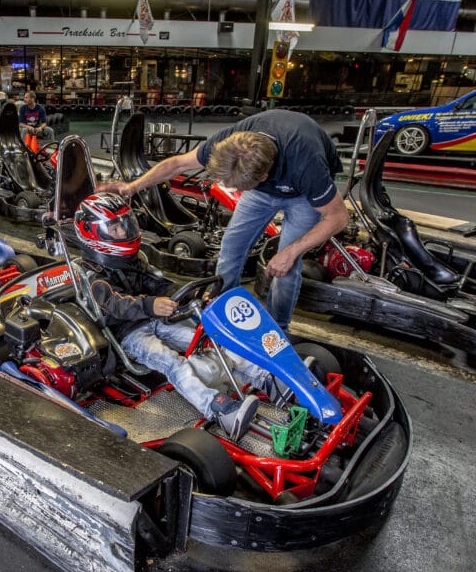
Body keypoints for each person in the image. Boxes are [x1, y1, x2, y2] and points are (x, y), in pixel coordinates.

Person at [96, 109, 348, 331]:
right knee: (231, 248)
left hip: (301, 195)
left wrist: (291, 251)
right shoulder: (230, 143)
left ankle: (278, 330)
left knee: (286, 267)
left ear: (262, 177)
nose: (225, 187)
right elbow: (176, 165)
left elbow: (338, 217)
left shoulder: (307, 164)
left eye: (232, 185)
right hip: (262, 191)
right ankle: (224, 314)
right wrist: (132, 187)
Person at [74, 192, 266, 441]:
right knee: (173, 362)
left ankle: (262, 377)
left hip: (156, 320)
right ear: (91, 233)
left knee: (206, 340)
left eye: (124, 224)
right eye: (114, 228)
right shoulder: (91, 274)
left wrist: (190, 296)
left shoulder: (134, 260)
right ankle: (218, 409)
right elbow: (115, 304)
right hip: (129, 333)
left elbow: (158, 283)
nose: (123, 232)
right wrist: (150, 305)